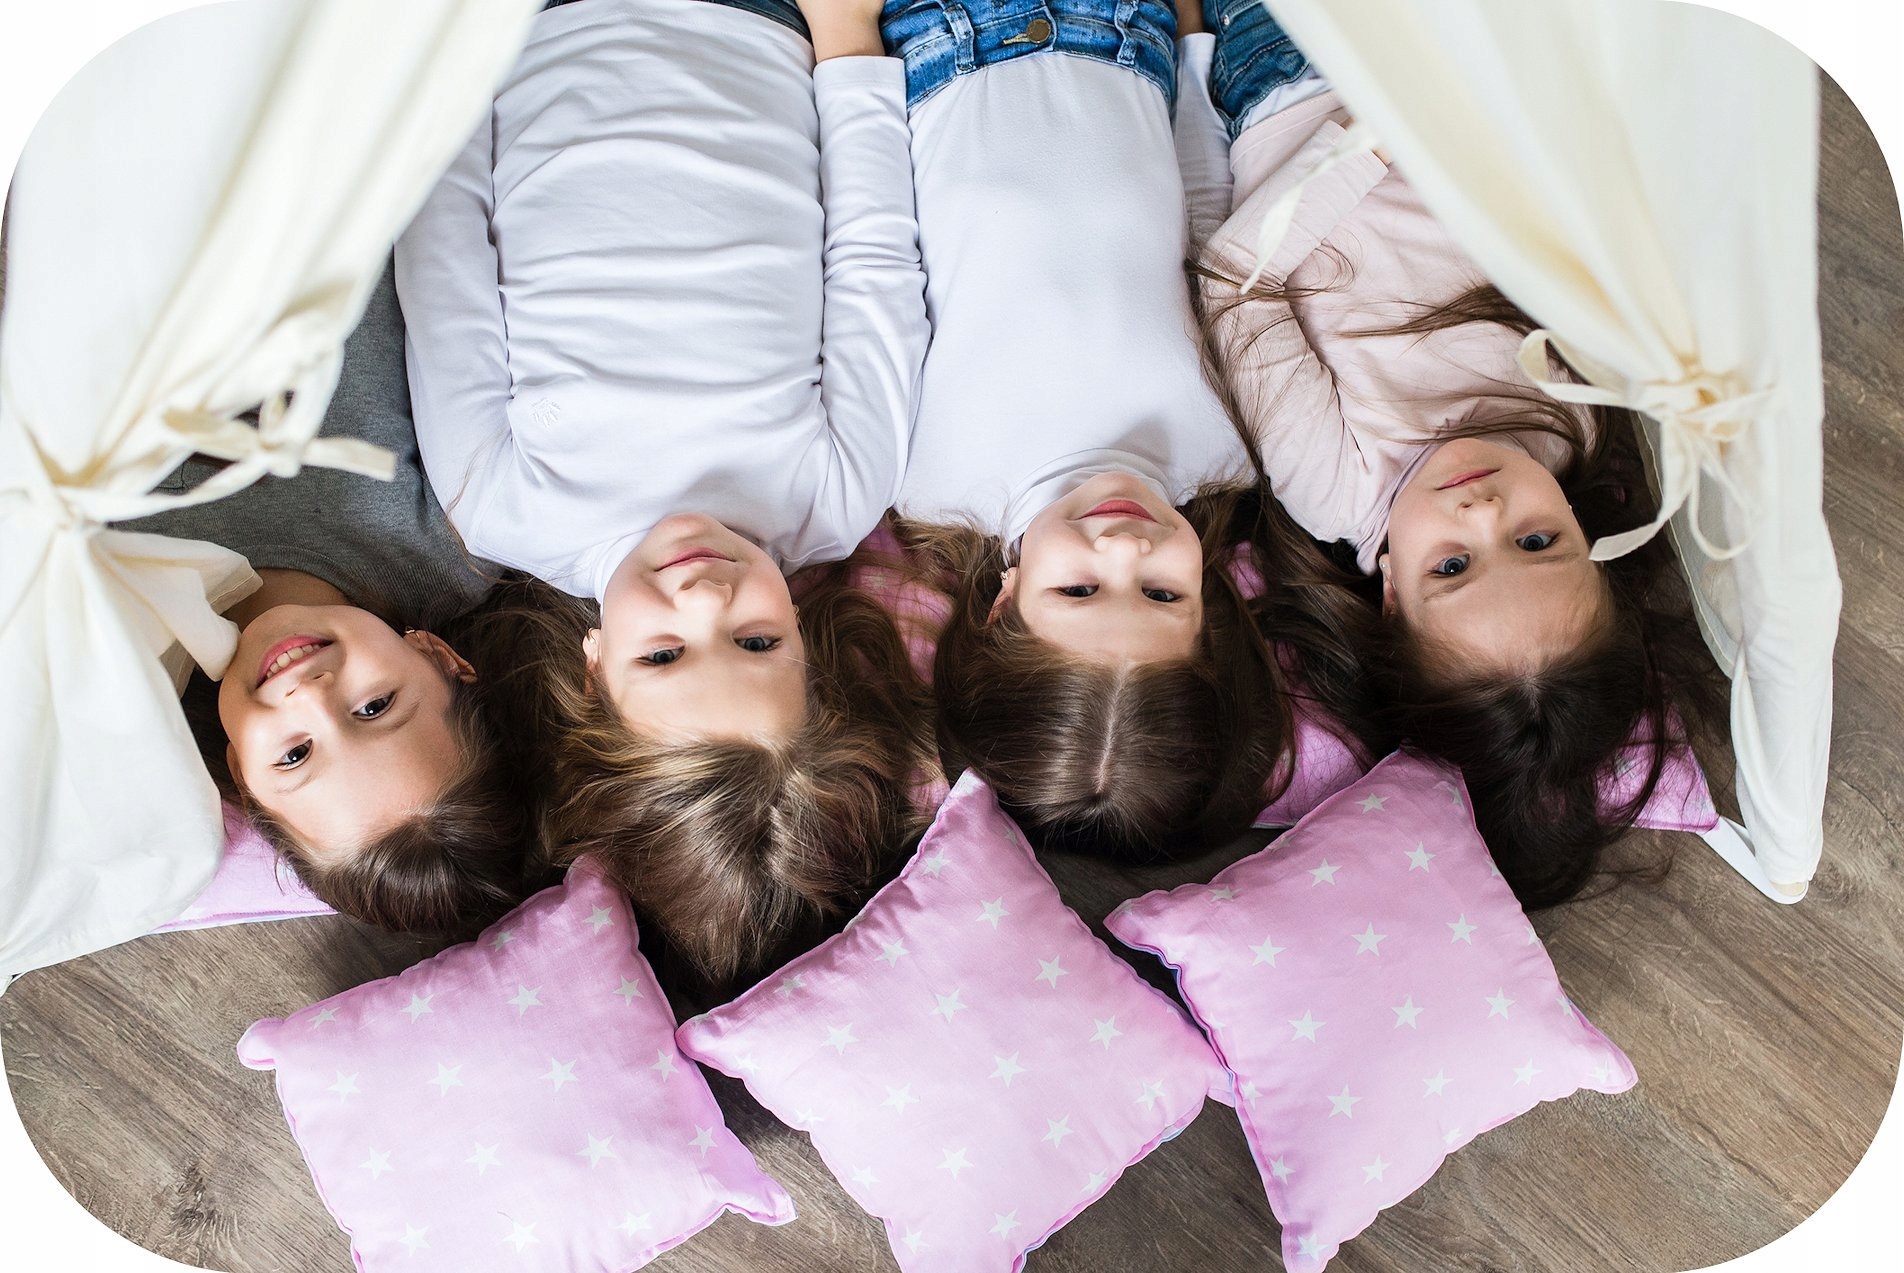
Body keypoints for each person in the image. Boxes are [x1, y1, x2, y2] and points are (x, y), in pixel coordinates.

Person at [395, 0, 937, 985]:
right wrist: (846, 40)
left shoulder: (503, 507)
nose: (704, 595)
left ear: (594, 673)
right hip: (763, 25)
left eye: (664, 653)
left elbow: (443, 253)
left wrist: (459, 42)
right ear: (810, 650)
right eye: (757, 641)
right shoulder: (839, 493)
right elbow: (871, 262)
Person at [1185, 4, 1726, 904]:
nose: (1485, 511)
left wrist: (1381, 134)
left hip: (1298, 79)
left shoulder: (1340, 485)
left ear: (1393, 592)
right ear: (1590, 542)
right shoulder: (1566, 430)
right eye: (1538, 541)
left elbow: (1238, 283)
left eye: (1453, 564)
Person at [879, 0, 1355, 859]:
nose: (1127, 550)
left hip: (945, 45)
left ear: (1001, 605)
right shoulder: (1226, 452)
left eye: (1081, 590)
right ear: (1211, 606)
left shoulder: (929, 479)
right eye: (1163, 594)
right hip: (1135, 37)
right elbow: (1205, 229)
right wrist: (1192, 45)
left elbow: (882, 255)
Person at [118, 266, 540, 936]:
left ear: (240, 774)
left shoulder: (119, 619)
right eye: (375, 707)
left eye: (295, 755)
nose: (310, 696)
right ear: (437, 655)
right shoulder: (458, 534)